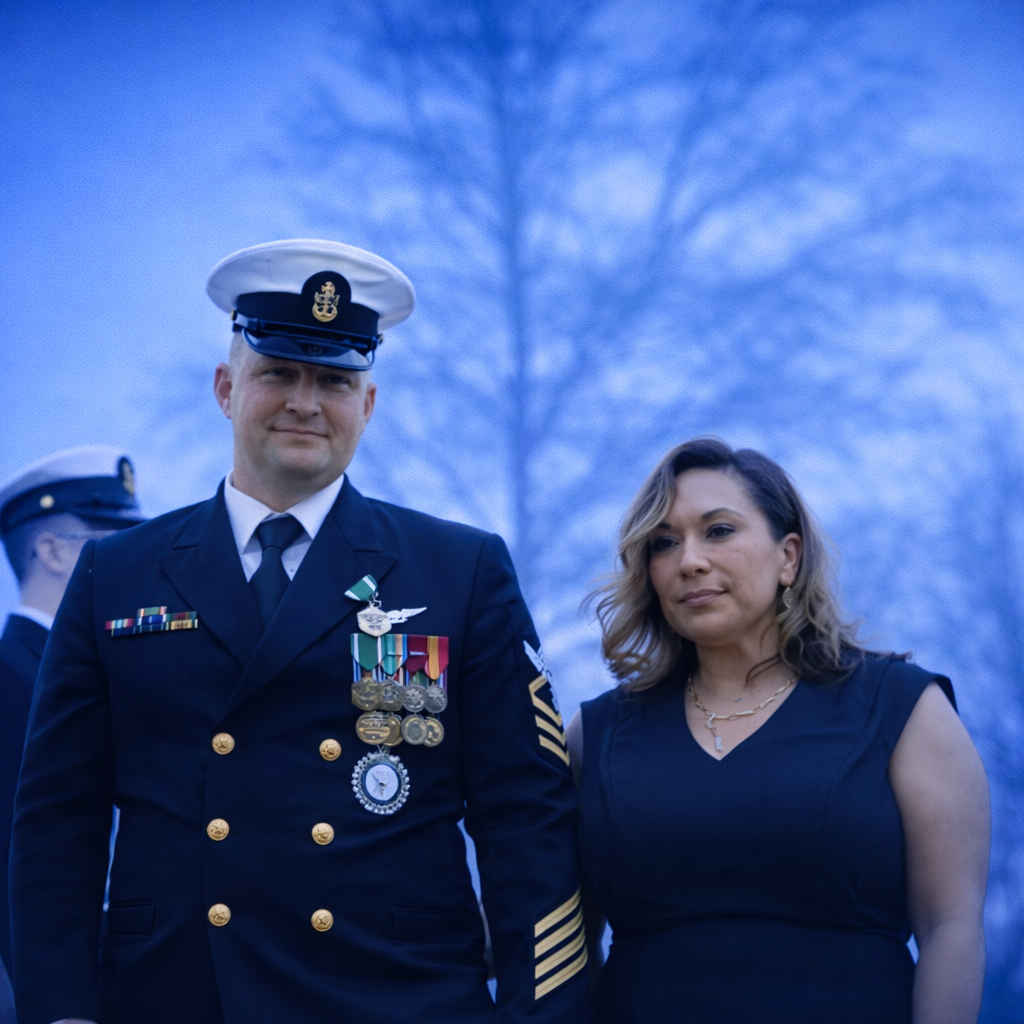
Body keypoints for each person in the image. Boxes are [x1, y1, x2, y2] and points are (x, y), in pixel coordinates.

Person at [11, 240, 589, 1024]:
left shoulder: (459, 571)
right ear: (225, 388)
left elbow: (526, 821)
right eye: (277, 373)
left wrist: (541, 1017)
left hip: (400, 998)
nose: (305, 402)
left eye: (334, 381)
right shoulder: (117, 575)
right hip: (178, 997)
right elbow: (55, 823)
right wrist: (61, 1013)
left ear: (369, 404)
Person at [567, 437, 989, 1024]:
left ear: (788, 556)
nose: (689, 559)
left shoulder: (902, 707)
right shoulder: (597, 735)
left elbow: (951, 927)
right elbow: (559, 944)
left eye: (718, 530)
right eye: (664, 542)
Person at [0, 447, 145, 1011]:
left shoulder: (80, 674)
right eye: (108, 539)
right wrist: (57, 1005)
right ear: (52, 551)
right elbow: (24, 864)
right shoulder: (13, 683)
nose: (133, 558)